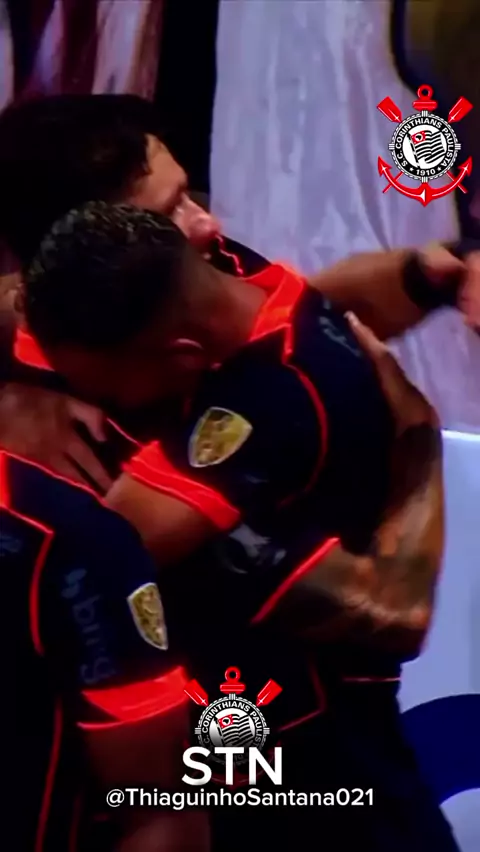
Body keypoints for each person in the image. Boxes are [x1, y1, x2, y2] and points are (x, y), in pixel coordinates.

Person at [20, 200, 457, 851]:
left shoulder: (273, 408)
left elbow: (103, 544)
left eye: (102, 387)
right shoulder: (251, 293)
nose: (93, 404)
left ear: (182, 354)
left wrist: (420, 438)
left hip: (308, 774)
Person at [1, 93, 480, 491]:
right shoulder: (61, 444)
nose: (208, 223)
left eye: (186, 195)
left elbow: (307, 314)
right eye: (170, 213)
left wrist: (436, 275)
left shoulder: (204, 261)